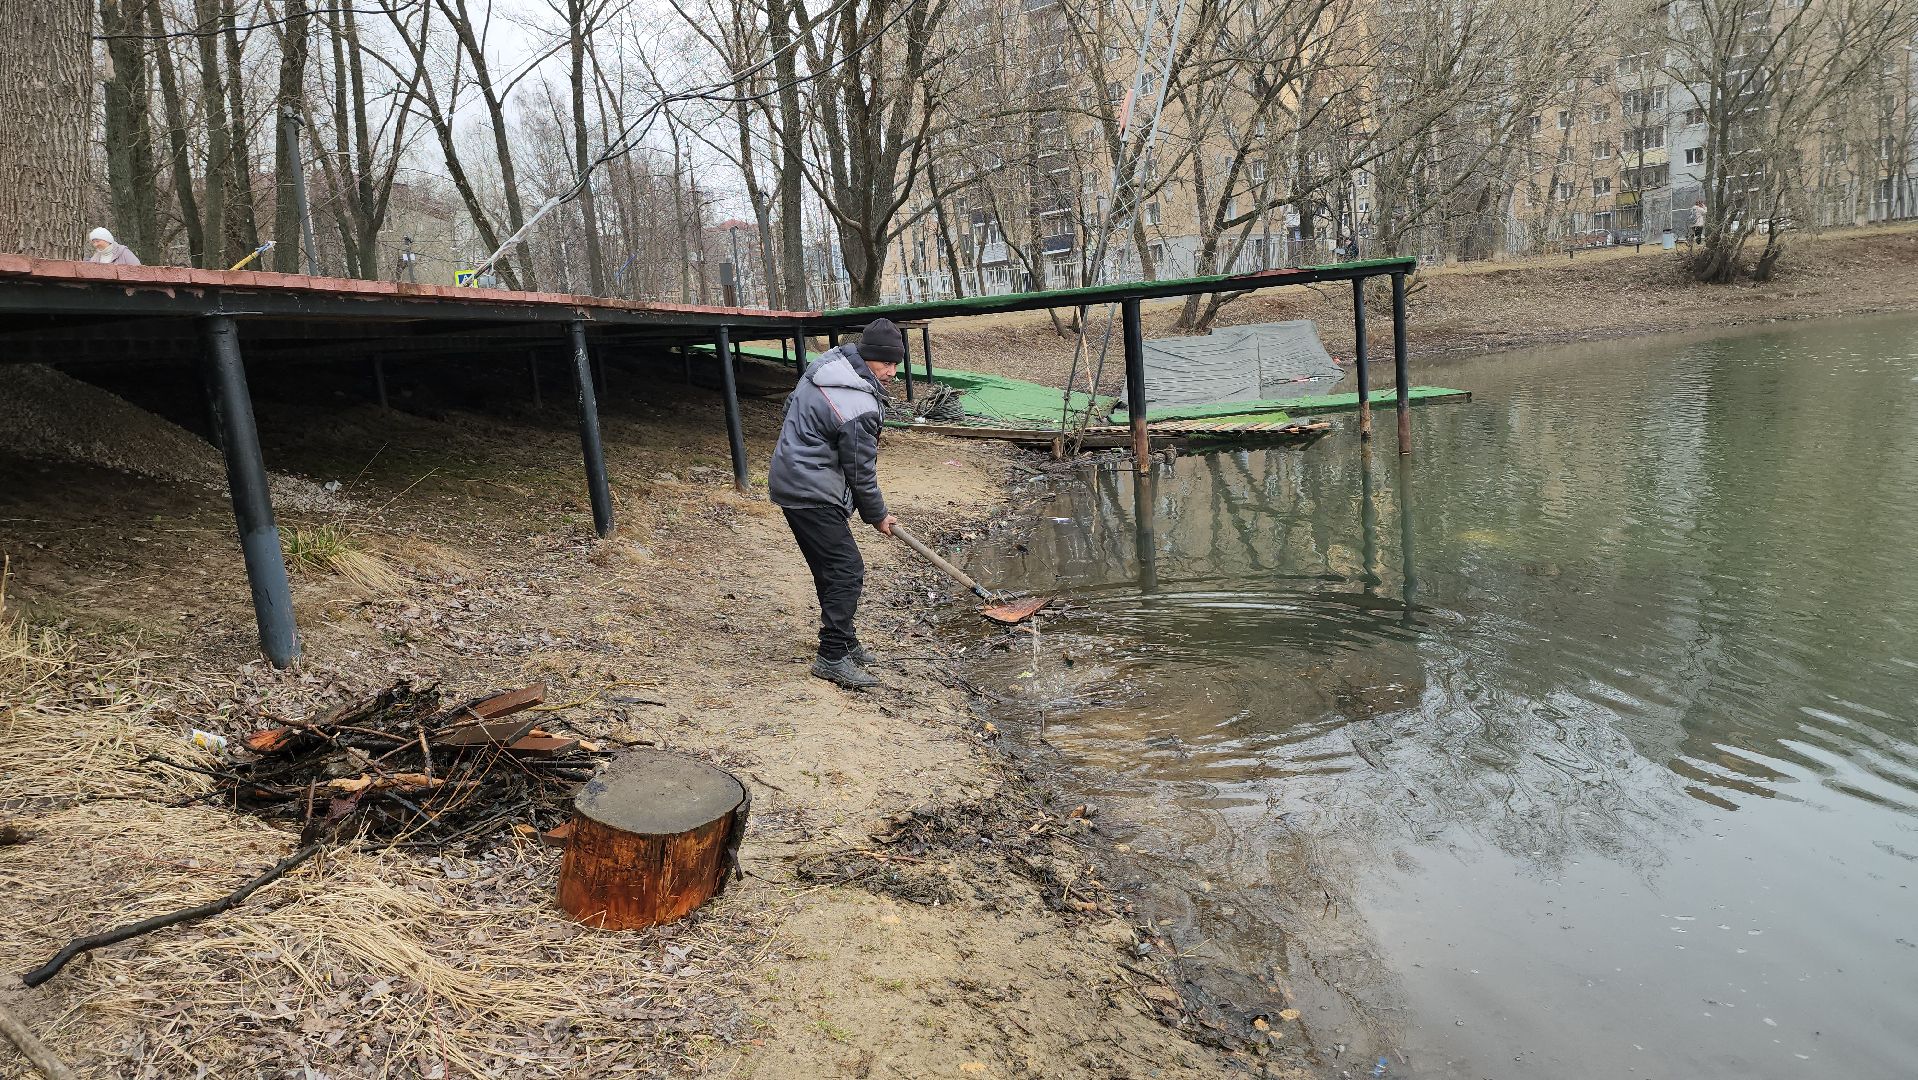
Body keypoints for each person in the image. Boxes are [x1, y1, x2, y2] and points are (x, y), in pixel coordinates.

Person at [768, 318, 903, 690]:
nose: (890, 372)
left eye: (895, 365)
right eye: (885, 364)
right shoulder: (857, 400)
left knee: (830, 567)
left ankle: (844, 641)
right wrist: (877, 515)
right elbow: (861, 471)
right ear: (867, 356)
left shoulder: (827, 368)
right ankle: (831, 656)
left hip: (792, 480)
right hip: (810, 490)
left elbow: (789, 412)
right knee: (846, 569)